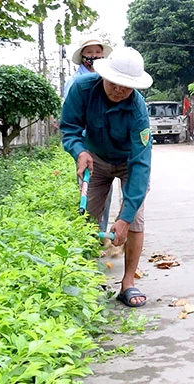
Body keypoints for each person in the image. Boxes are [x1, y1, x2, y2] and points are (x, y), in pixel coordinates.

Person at [60, 47, 154, 307]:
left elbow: (140, 164)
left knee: (134, 218)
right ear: (104, 75)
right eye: (114, 83)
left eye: (126, 86)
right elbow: (69, 129)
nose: (119, 90)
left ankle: (128, 283)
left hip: (128, 161)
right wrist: (79, 151)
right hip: (95, 158)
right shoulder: (81, 89)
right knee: (88, 218)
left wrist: (123, 218)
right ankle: (90, 277)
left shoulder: (138, 110)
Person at [62, 36, 118, 237]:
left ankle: (101, 236)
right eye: (89, 52)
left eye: (97, 52)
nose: (94, 56)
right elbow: (70, 123)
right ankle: (91, 238)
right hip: (86, 148)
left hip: (109, 146)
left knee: (106, 194)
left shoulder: (109, 80)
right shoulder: (75, 83)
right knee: (91, 193)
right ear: (82, 56)